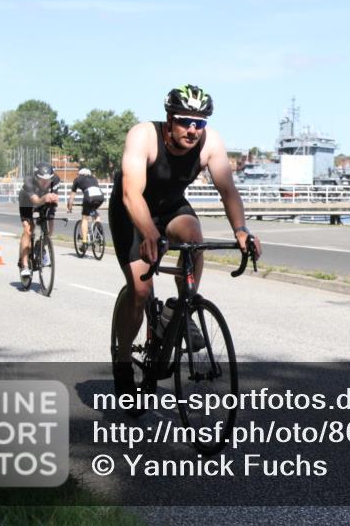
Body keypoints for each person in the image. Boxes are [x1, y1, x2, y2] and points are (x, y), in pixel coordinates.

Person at [109, 85, 261, 400]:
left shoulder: (210, 143)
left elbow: (228, 190)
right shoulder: (143, 136)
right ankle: (123, 360)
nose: (193, 130)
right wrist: (149, 232)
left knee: (194, 237)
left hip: (171, 207)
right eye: (184, 121)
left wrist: (241, 230)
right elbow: (130, 193)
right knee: (139, 290)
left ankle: (180, 308)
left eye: (200, 123)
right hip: (132, 210)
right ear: (168, 119)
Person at [18, 163, 60, 280]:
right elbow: (36, 201)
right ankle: (25, 265)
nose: (45, 183)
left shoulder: (55, 179)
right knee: (28, 229)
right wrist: (46, 197)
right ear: (36, 177)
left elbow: (54, 198)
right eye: (42, 180)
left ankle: (41, 246)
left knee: (50, 222)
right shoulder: (28, 182)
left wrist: (53, 199)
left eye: (48, 180)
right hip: (27, 202)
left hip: (44, 199)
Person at [67, 167, 104, 244]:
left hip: (89, 196)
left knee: (85, 218)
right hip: (100, 196)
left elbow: (72, 196)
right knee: (95, 213)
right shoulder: (94, 178)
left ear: (80, 174)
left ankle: (84, 241)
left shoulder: (77, 179)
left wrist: (70, 206)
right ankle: (99, 234)